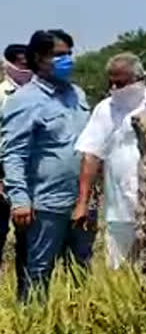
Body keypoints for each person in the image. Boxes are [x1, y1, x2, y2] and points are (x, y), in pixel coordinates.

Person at [2, 30, 93, 301]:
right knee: (38, 273)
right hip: (44, 204)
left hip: (81, 202)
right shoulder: (24, 100)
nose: (67, 60)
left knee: (81, 274)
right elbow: (13, 154)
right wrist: (19, 199)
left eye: (69, 54)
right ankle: (33, 332)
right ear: (40, 58)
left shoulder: (77, 94)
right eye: (59, 55)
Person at [73, 53, 146, 269]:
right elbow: (91, 155)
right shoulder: (105, 109)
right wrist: (83, 202)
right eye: (110, 82)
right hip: (120, 210)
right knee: (120, 273)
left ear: (139, 78)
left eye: (120, 82)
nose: (114, 87)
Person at [0, 44, 32, 268]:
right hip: (2, 177)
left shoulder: (38, 94)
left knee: (28, 241)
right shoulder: (1, 95)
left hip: (29, 178)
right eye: (23, 64)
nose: (28, 69)